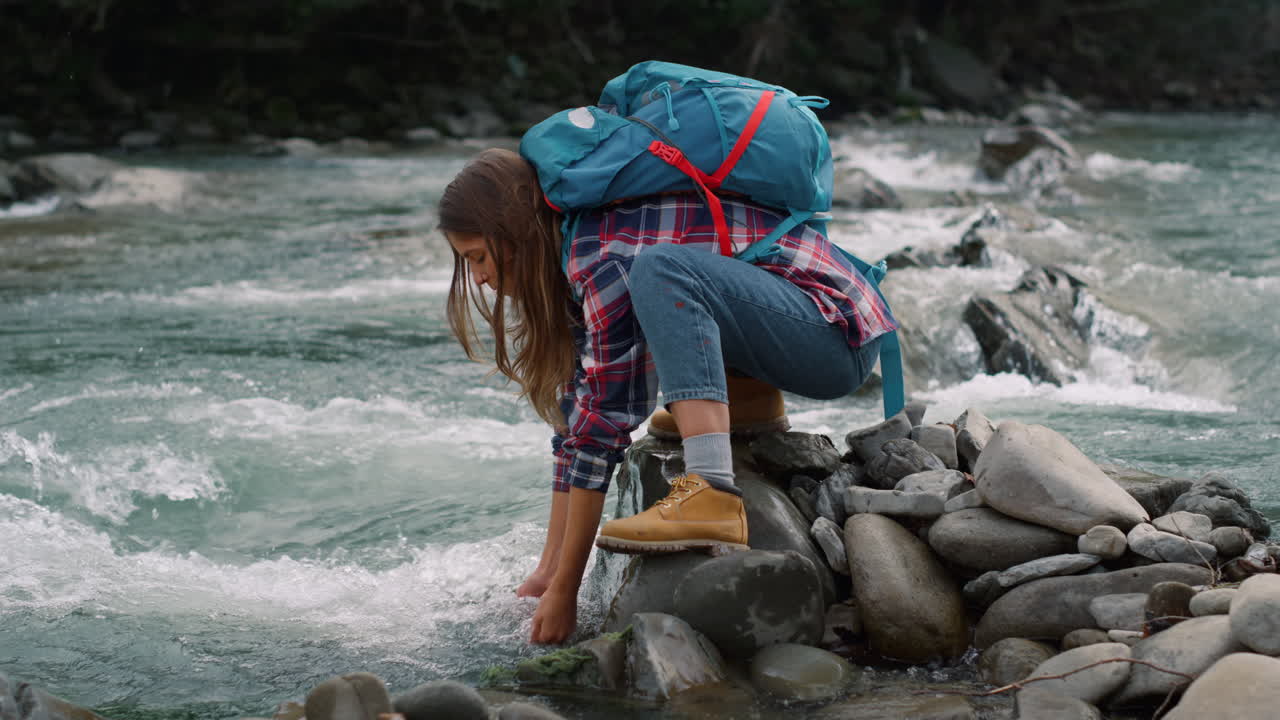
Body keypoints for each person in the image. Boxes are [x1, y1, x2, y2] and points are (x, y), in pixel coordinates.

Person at [438, 148, 897, 645]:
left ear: (514, 232)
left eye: (478, 257)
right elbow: (575, 422)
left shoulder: (599, 255)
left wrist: (567, 590)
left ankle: (711, 490)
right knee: (660, 283)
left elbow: (602, 429)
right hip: (799, 324)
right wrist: (547, 572)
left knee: (662, 271)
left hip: (833, 335)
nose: (478, 277)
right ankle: (750, 408)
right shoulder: (572, 253)